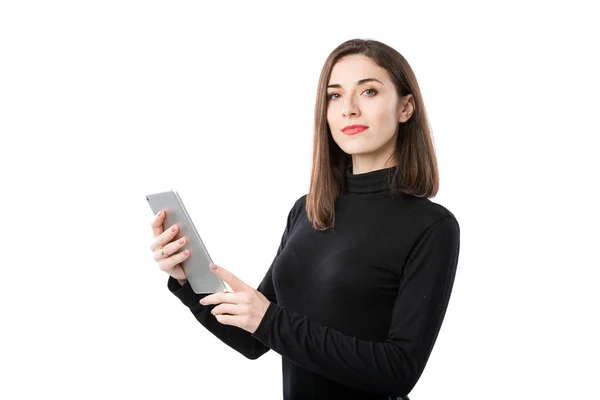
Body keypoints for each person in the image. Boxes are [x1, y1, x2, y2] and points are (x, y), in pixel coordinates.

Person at [149, 38, 460, 400]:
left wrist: (270, 320)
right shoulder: (308, 209)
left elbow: (398, 371)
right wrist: (191, 279)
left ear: (405, 107)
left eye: (369, 92)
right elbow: (254, 340)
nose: (350, 109)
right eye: (335, 95)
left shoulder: (432, 226)